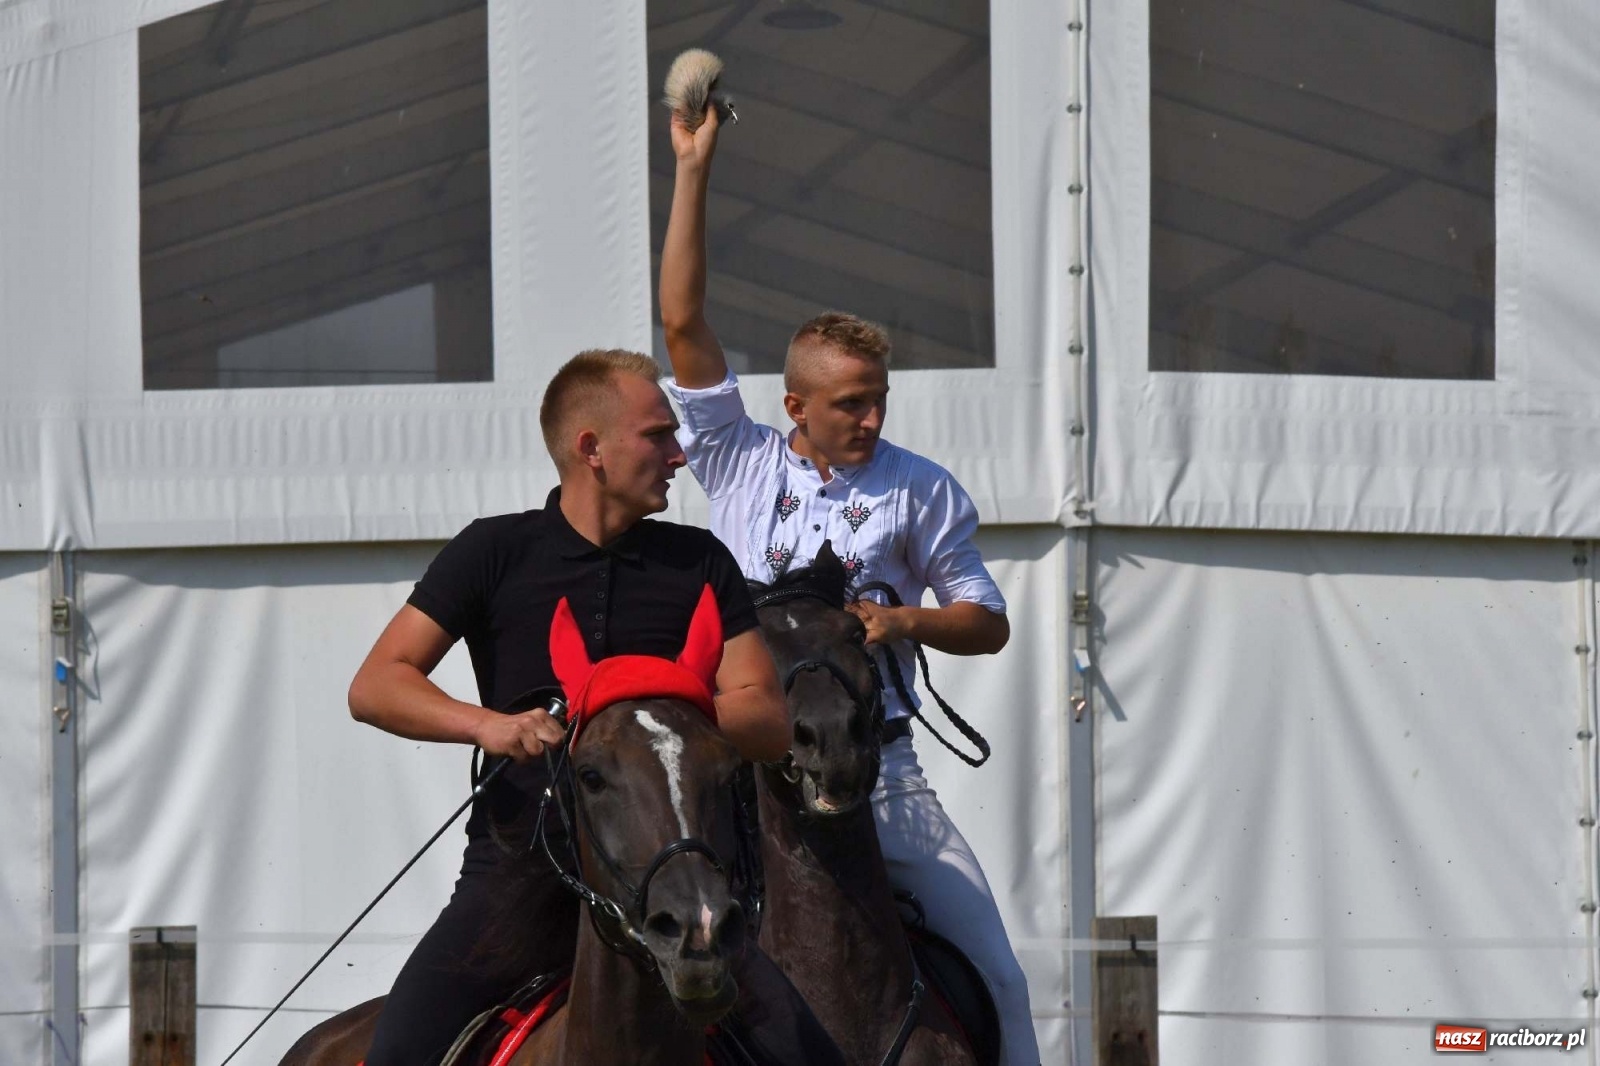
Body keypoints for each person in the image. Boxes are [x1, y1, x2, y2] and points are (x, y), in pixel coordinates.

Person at [659, 105, 1042, 1065]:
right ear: (793, 405)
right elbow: (682, 322)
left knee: (996, 967)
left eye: (879, 399)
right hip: (738, 772)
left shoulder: (923, 487)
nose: (871, 416)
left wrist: (906, 618)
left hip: (882, 776)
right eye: (849, 402)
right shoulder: (739, 458)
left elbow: (987, 622)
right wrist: (694, 170)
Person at [350, 349, 838, 1066]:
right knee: (396, 1056)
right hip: (515, 879)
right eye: (659, 436)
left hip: (684, 882)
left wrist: (653, 718)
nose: (679, 454)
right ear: (592, 449)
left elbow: (765, 722)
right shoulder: (493, 551)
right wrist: (492, 725)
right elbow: (378, 684)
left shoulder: (701, 561)